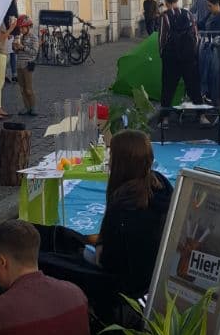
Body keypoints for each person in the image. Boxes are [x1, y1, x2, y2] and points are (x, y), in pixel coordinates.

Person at [37, 130, 172, 320]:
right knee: (68, 238)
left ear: (121, 163)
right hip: (146, 277)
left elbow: (106, 260)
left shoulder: (124, 202)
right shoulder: (162, 183)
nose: (108, 161)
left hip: (118, 284)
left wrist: (93, 246)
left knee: (46, 259)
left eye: (111, 155)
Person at [158, 0, 202, 108]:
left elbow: (162, 38)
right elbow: (196, 36)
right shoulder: (188, 14)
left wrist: (163, 54)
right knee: (193, 86)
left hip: (171, 58)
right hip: (188, 57)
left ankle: (165, 118)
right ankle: (202, 116)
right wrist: (192, 52)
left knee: (168, 88)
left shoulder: (164, 16)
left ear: (166, 1)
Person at [14, 14, 38, 116]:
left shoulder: (33, 37)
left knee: (28, 89)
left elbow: (34, 52)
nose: (21, 30)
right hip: (19, 65)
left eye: (22, 28)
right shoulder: (20, 37)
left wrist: (23, 47)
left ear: (28, 27)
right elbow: (17, 53)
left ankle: (33, 107)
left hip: (27, 66)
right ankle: (26, 107)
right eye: (20, 28)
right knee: (22, 89)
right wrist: (15, 47)